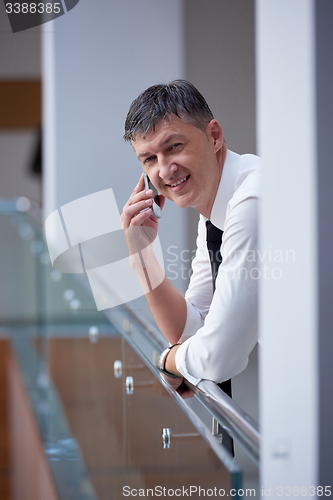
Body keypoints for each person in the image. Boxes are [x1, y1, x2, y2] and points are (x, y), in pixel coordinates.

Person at [121, 80, 260, 395]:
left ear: (214, 136)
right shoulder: (214, 208)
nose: (166, 170)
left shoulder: (251, 203)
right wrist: (142, 257)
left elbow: (217, 357)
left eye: (174, 147)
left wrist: (169, 360)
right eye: (149, 159)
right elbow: (192, 330)